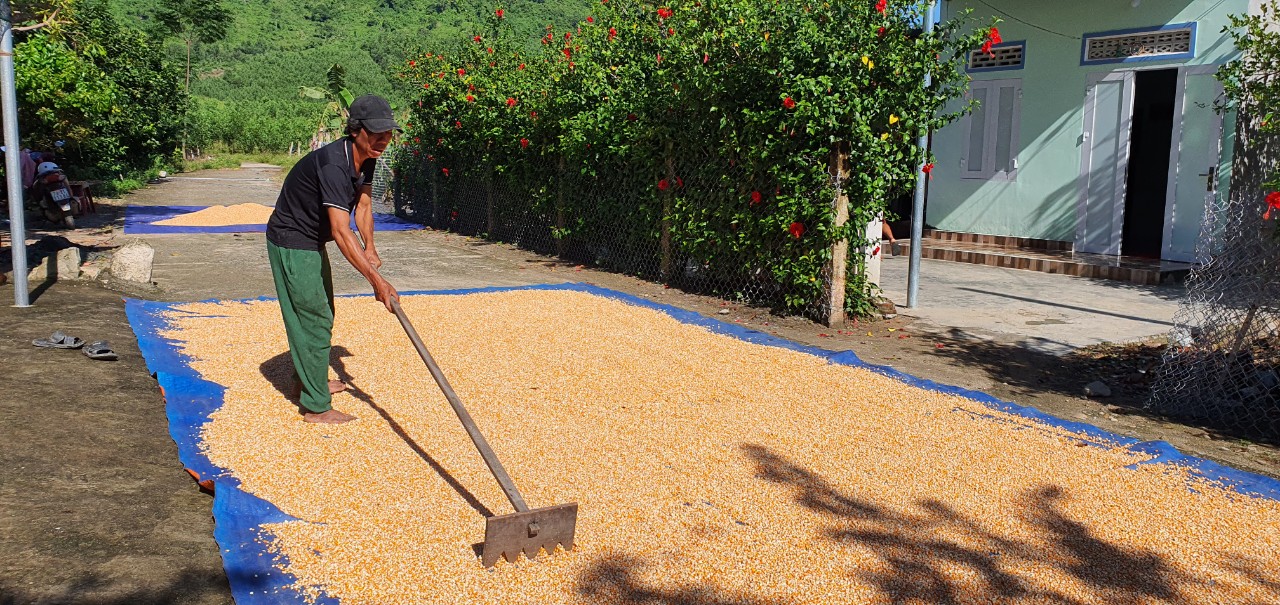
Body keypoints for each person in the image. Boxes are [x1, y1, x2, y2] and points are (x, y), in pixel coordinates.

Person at [266, 94, 401, 424]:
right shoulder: (334, 166)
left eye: (388, 133)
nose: (384, 140)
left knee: (321, 310)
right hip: (293, 239)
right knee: (313, 316)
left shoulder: (366, 157)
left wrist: (370, 248)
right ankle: (315, 406)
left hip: (312, 239)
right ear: (356, 130)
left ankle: (308, 380)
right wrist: (377, 282)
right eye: (377, 133)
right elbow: (342, 232)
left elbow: (364, 207)